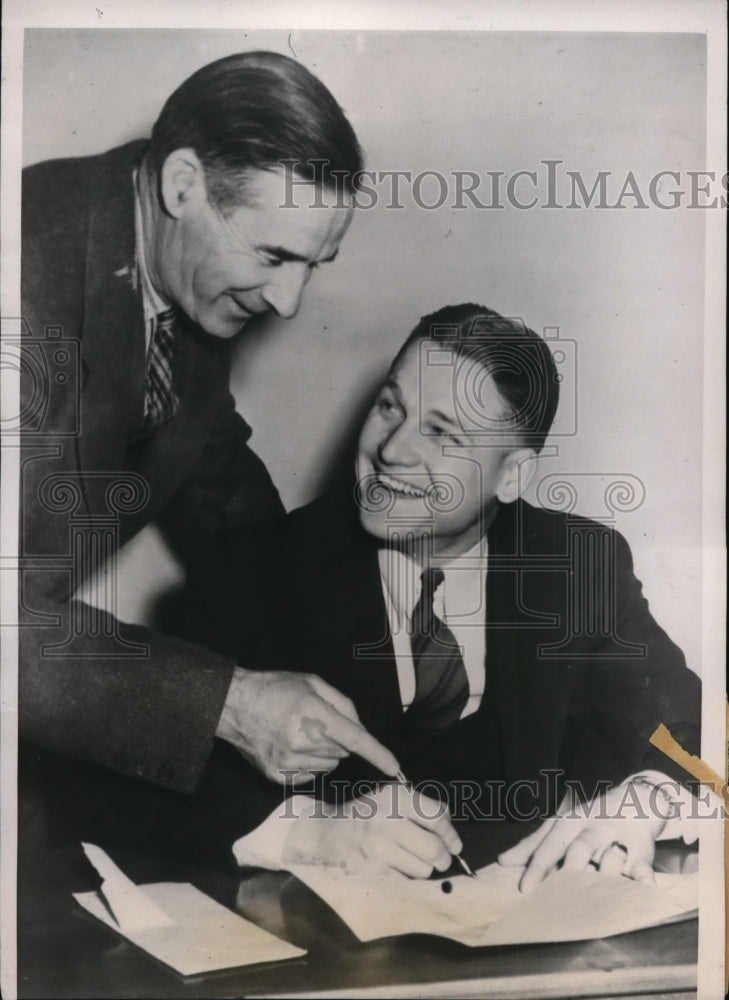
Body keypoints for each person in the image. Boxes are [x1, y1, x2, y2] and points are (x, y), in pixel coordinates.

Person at [194, 303, 700, 884]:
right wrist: (309, 834)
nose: (391, 451)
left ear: (512, 475)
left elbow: (692, 727)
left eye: (442, 432)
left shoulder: (579, 566)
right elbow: (142, 781)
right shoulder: (253, 567)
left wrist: (642, 804)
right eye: (390, 407)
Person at [19, 50, 398, 809]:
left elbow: (219, 482)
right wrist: (230, 706)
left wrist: (347, 669)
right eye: (273, 255)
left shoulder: (173, 269)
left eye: (312, 265)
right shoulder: (21, 279)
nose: (288, 302)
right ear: (181, 183)